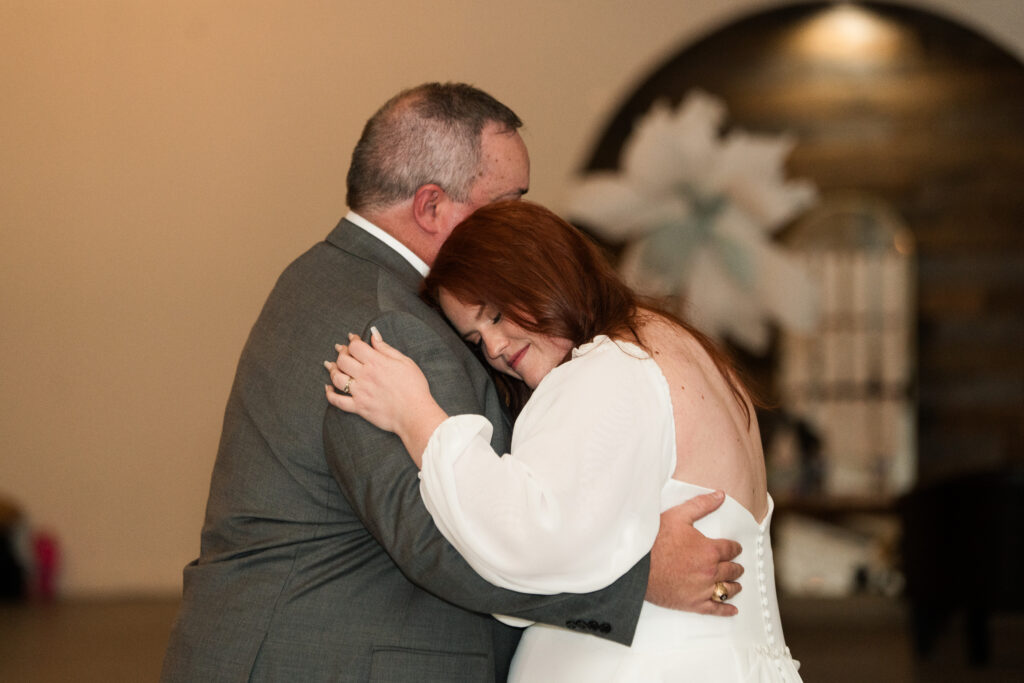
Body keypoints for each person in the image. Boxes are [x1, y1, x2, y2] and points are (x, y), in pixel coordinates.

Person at [161, 83, 743, 682]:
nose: (522, 220)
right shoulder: (386, 317)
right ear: (432, 206)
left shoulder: (339, 277)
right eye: (508, 200)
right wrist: (641, 578)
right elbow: (434, 540)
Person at [325, 200, 803, 681]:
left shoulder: (614, 364)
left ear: (540, 274)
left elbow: (528, 533)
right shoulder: (678, 346)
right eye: (475, 340)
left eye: (494, 315)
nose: (492, 348)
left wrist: (416, 415)